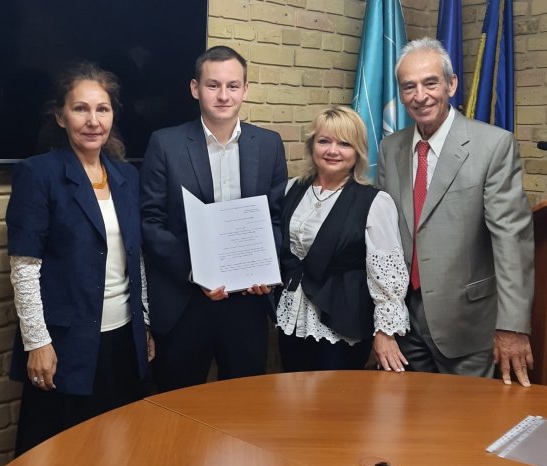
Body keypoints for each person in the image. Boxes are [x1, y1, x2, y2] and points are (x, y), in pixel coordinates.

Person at [6, 62, 155, 455]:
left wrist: (143, 323)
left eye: (102, 109)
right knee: (64, 456)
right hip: (65, 345)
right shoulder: (38, 174)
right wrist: (37, 342)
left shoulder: (126, 176)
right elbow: (25, 268)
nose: (93, 121)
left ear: (113, 116)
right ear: (60, 116)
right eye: (80, 109)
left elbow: (134, 257)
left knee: (119, 450)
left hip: (123, 339)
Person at [376, 37, 534, 386]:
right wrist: (383, 320)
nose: (420, 96)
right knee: (407, 415)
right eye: (409, 87)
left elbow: (511, 240)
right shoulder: (390, 149)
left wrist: (512, 326)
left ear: (451, 84)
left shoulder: (493, 145)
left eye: (430, 83)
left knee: (470, 417)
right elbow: (383, 240)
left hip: (468, 326)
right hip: (404, 323)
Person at [140, 46, 287, 392]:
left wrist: (264, 269)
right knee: (178, 402)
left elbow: (276, 217)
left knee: (244, 402)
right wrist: (195, 273)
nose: (223, 95)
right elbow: (150, 221)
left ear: (245, 90)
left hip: (247, 301)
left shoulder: (269, 144)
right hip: (185, 299)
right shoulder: (165, 144)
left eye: (233, 86)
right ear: (195, 88)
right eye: (213, 85)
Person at [276, 105, 410, 372]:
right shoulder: (292, 188)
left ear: (358, 151)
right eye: (324, 141)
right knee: (291, 392)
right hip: (291, 317)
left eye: (344, 144)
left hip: (343, 323)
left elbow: (388, 275)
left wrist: (385, 332)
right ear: (312, 145)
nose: (332, 150)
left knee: (336, 397)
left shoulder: (374, 202)